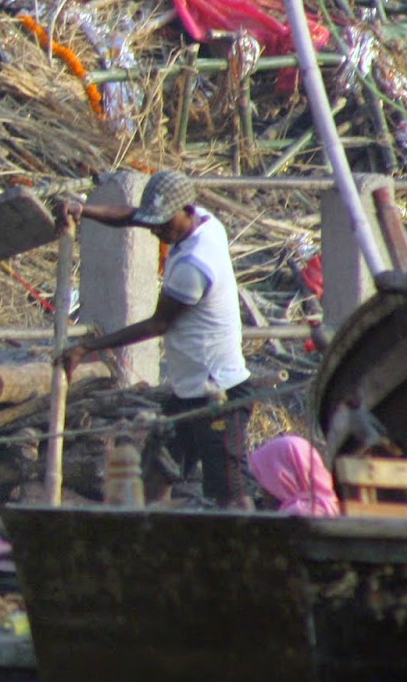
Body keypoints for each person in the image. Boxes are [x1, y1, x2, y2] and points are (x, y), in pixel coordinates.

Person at [56, 169, 254, 509]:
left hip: (218, 394)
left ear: (186, 211)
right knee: (155, 475)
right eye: (154, 223)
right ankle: (148, 535)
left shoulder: (194, 264)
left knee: (232, 494)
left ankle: (248, 541)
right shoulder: (204, 221)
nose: (156, 231)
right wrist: (83, 210)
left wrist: (89, 346)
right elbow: (132, 216)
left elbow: (158, 324)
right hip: (187, 392)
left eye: (163, 223)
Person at [248, 434, 341, 516]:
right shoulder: (336, 504)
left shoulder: (296, 514)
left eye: (264, 480)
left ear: (283, 478)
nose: (261, 490)